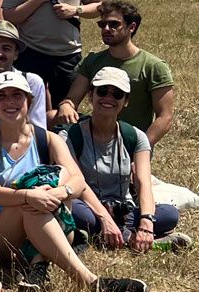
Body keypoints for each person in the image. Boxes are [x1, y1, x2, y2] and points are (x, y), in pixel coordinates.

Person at [0, 71, 148, 292]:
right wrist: (29, 196)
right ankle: (90, 282)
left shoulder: (48, 139)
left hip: (48, 220)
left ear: (29, 101)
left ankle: (41, 264)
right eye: (2, 96)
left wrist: (58, 192)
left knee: (61, 176)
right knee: (32, 201)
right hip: (1, 235)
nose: (10, 102)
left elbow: (77, 181)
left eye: (17, 95)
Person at [60, 67, 190, 252]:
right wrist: (104, 217)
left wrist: (146, 222)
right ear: (91, 95)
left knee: (170, 214)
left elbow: (143, 182)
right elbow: (79, 183)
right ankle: (135, 239)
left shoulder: (135, 136)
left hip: (124, 211)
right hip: (89, 206)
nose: (108, 98)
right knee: (76, 212)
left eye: (117, 94)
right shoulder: (70, 136)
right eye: (102, 91)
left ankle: (112, 236)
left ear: (126, 101)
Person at [58, 0, 174, 146]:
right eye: (102, 24)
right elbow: (71, 99)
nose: (106, 29)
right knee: (51, 117)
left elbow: (165, 117)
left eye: (114, 24)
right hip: (95, 139)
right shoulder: (93, 60)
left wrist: (140, 148)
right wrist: (66, 105)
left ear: (131, 27)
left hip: (130, 142)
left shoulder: (153, 66)